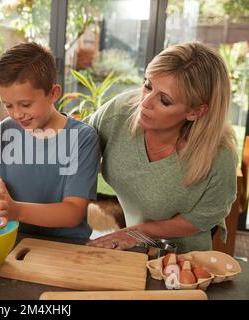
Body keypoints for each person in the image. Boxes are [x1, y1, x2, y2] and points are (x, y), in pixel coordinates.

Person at [86, 41, 238, 253]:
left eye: (164, 100)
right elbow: (80, 148)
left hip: (183, 259)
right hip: (134, 247)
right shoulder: (119, 112)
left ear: (195, 112)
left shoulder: (219, 157)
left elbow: (201, 219)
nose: (145, 103)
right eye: (148, 85)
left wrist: (136, 232)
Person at [0, 42, 99, 240]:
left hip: (65, 247)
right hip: (12, 238)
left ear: (53, 93)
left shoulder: (82, 138)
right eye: (8, 105)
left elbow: (73, 212)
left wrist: (16, 210)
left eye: (25, 104)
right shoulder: (7, 129)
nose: (17, 114)